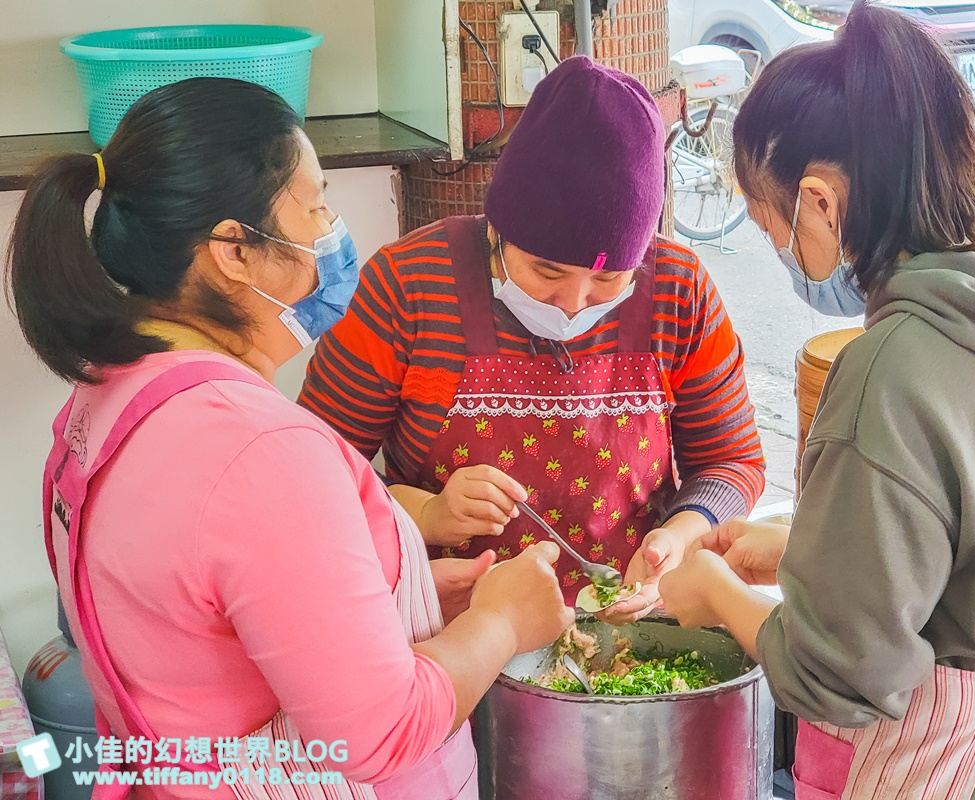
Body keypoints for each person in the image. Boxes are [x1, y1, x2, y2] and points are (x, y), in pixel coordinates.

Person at [7, 77, 572, 800]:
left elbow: (194, 623)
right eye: (314, 205)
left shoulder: (106, 398)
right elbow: (383, 734)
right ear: (233, 251)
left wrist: (389, 599)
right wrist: (500, 624)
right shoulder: (259, 451)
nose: (331, 230)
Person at [659, 3, 975, 799]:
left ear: (819, 201)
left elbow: (840, 679)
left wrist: (715, 596)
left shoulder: (891, 373)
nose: (785, 250)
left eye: (772, 223)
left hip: (972, 774)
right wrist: (804, 557)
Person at [298, 56, 766, 622]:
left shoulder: (678, 289)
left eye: (609, 279)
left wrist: (679, 537)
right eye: (546, 272)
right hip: (453, 627)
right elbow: (312, 477)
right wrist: (424, 512)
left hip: (631, 621)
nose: (573, 303)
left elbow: (731, 461)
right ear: (497, 228)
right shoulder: (407, 285)